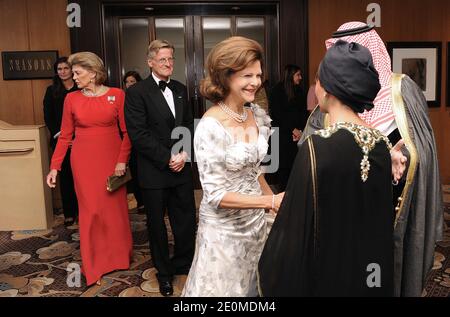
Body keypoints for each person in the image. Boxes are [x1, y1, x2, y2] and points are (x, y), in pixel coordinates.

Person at [300, 21, 444, 297]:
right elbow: (312, 148)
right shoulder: (329, 99)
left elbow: (423, 146)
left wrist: (404, 157)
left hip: (393, 206)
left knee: (384, 271)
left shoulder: (404, 90)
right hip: (343, 209)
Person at [259, 40, 394, 296]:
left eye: (318, 81)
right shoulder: (382, 143)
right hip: (371, 269)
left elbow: (295, 223)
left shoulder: (316, 147)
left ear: (328, 88)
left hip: (330, 268)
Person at [181, 36, 284, 297]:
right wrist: (268, 203)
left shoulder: (255, 115)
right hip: (223, 232)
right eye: (247, 75)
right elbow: (215, 195)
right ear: (225, 76)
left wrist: (272, 200)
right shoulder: (210, 126)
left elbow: (254, 170)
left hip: (256, 223)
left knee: (255, 288)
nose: (256, 83)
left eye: (258, 75)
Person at [46, 52, 133, 286]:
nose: (73, 77)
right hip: (83, 162)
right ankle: (94, 262)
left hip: (112, 160)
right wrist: (55, 167)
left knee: (114, 210)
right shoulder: (71, 99)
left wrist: (122, 160)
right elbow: (65, 136)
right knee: (91, 211)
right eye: (72, 73)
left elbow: (127, 133)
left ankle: (118, 256)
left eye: (77, 72)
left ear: (93, 73)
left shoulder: (117, 95)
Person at [124, 40, 197, 297]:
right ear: (150, 62)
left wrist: (184, 153)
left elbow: (188, 124)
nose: (168, 64)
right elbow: (138, 134)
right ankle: (164, 274)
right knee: (156, 226)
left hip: (181, 168)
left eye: (171, 59)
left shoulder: (180, 88)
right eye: (163, 59)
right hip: (155, 171)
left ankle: (183, 264)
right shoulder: (136, 92)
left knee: (186, 220)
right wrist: (168, 158)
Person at [43, 57, 79, 226]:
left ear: (72, 70)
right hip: (60, 139)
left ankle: (82, 210)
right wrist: (61, 134)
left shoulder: (80, 88)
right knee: (65, 178)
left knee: (81, 176)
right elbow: (48, 116)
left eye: (66, 68)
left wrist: (77, 135)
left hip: (81, 139)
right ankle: (69, 213)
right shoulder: (51, 91)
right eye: (60, 69)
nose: (63, 71)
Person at [269, 64, 308, 191]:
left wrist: (300, 131)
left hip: (296, 136)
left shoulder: (300, 91)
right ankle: (282, 194)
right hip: (280, 134)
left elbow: (303, 113)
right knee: (282, 167)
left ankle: (293, 193)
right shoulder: (277, 91)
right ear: (291, 75)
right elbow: (277, 114)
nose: (300, 78)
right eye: (298, 75)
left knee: (294, 165)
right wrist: (293, 129)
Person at [122, 71, 144, 212]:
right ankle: (140, 201)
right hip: (128, 140)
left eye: (132, 82)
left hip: (142, 139)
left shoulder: (142, 96)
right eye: (127, 82)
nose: (129, 84)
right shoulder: (121, 98)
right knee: (135, 173)